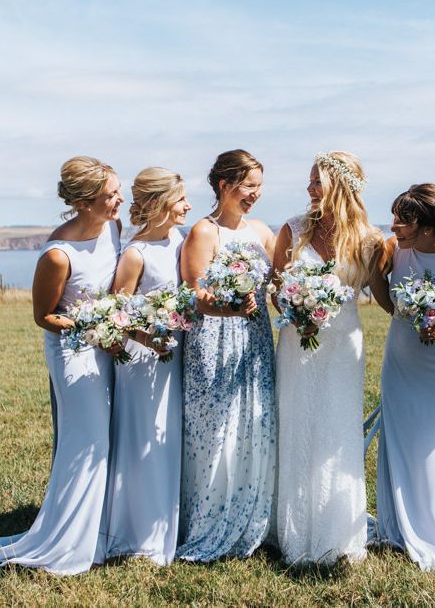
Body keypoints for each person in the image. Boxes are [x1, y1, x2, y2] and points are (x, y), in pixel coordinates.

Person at [0, 156, 123, 575]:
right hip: (75, 354)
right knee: (87, 445)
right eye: (111, 195)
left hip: (110, 349)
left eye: (118, 191)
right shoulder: (58, 254)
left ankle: (102, 529)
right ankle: (65, 539)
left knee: (111, 441)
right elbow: (44, 315)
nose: (120, 200)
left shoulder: (115, 230)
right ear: (84, 202)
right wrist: (92, 326)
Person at [272, 151, 384, 565]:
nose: (309, 189)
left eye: (317, 182)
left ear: (339, 186)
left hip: (343, 347)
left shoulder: (371, 241)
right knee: (297, 425)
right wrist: (296, 310)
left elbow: (386, 298)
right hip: (296, 343)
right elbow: (274, 288)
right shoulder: (292, 229)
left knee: (337, 433)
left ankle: (339, 532)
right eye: (310, 181)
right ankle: (294, 533)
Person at [177, 149, 276, 562]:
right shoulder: (204, 231)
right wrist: (231, 306)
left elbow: (283, 277)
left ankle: (257, 517)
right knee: (216, 430)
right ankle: (210, 521)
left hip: (254, 341)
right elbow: (194, 295)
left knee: (255, 424)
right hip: (214, 342)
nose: (254, 195)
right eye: (248, 186)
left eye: (258, 187)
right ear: (224, 185)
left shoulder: (261, 230)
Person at [372, 184, 435, 571]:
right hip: (400, 358)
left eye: (405, 219)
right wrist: (385, 293)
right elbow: (383, 297)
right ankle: (397, 524)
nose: (395, 224)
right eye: (395, 216)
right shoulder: (392, 248)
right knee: (401, 441)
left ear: (428, 224)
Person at [105, 167, 191, 566]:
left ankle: (168, 523)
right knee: (142, 440)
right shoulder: (134, 253)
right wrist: (146, 338)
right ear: (159, 204)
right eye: (180, 200)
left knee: (166, 437)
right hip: (142, 361)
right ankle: (137, 532)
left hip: (173, 357)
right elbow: (114, 316)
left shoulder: (179, 239)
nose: (188, 206)